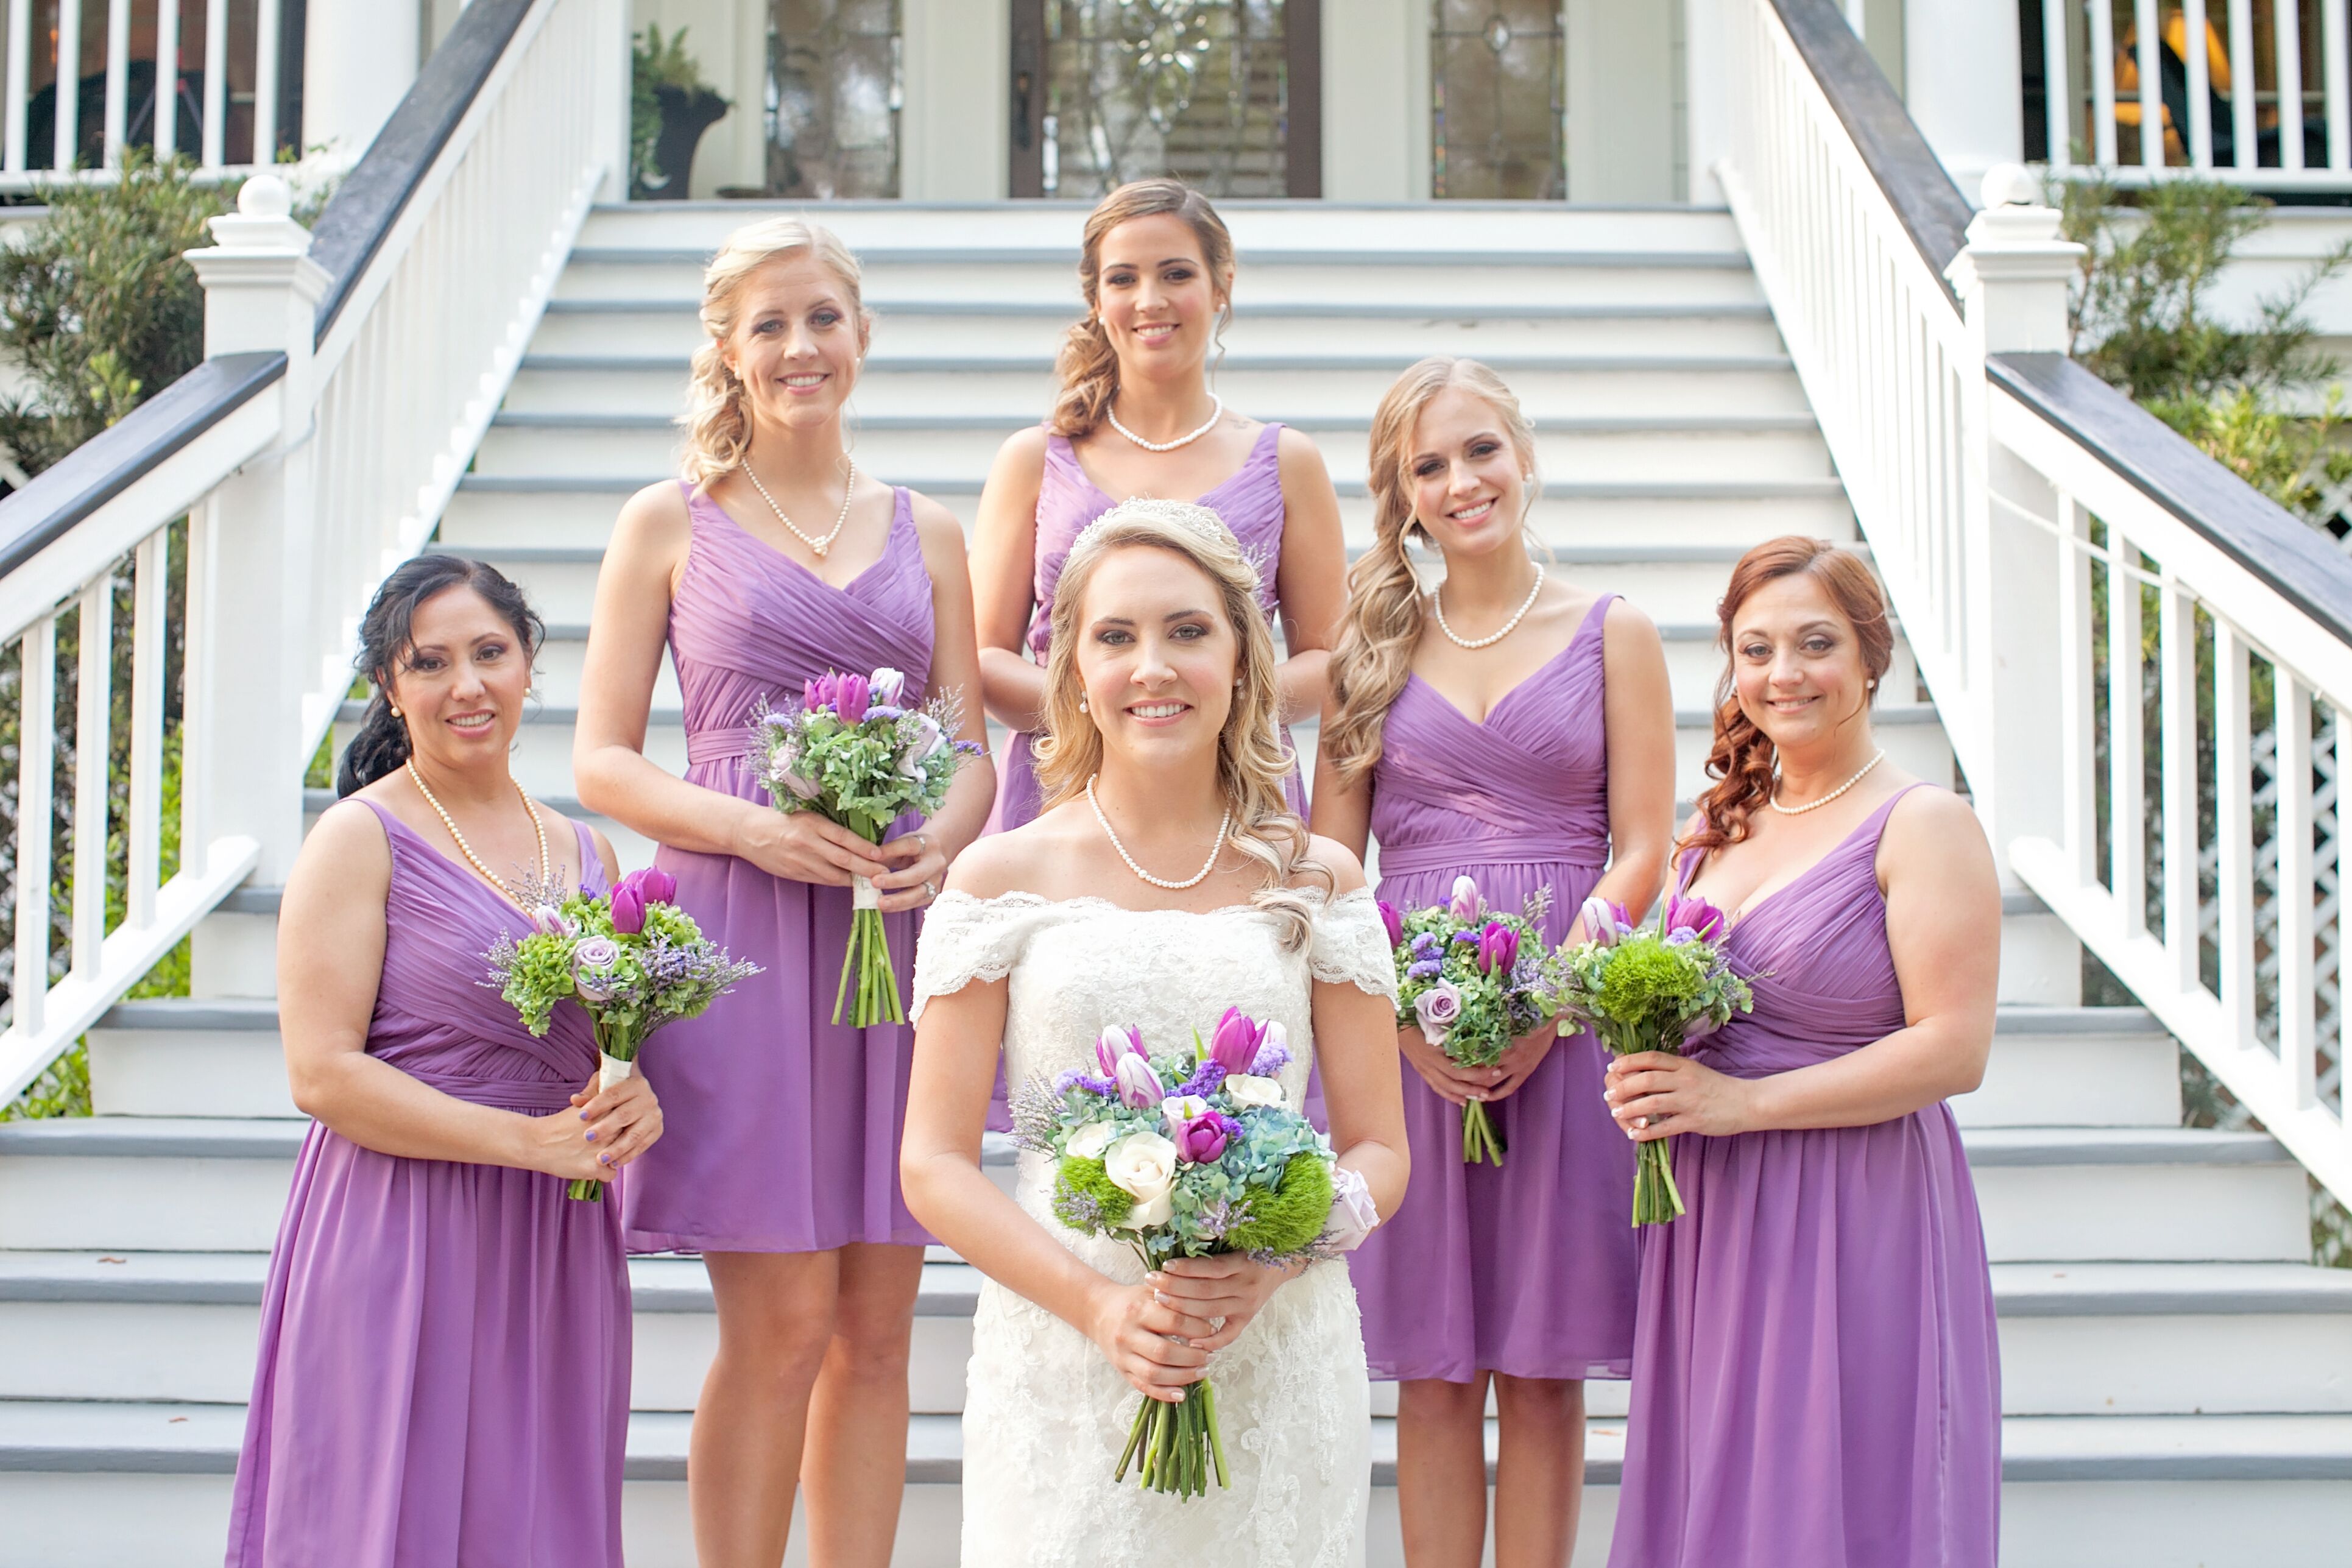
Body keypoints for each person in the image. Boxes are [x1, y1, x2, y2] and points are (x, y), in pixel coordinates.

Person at [570, 216, 994, 1568]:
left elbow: (975, 739)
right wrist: (753, 830)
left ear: (861, 338)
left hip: (894, 925)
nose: (800, 346)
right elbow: (601, 761)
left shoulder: (928, 530)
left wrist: (949, 840)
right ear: (728, 350)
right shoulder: (665, 522)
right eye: (769, 324)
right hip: (737, 934)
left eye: (822, 318)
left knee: (878, 1329)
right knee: (779, 1327)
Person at [901, 498, 1409, 1564]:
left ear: (1240, 654)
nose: (1153, 666)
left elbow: (1379, 1150)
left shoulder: (1320, 877)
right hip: (1066, 1349)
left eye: (1187, 630)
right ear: (1074, 667)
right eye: (1116, 636)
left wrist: (1276, 1260)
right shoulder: (1000, 877)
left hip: (1278, 1345)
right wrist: (1098, 1305)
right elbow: (932, 1163)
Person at [1313, 356, 1672, 1566]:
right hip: (1407, 1030)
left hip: (1561, 1029)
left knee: (1540, 1369)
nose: (1461, 482)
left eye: (1479, 451)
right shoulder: (1370, 645)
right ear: (1401, 495)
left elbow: (1642, 849)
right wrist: (1400, 1022)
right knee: (1428, 1371)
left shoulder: (1610, 631)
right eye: (1429, 466)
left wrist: (1550, 1005)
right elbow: (1326, 861)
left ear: (1521, 455)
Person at [228, 556, 654, 1567]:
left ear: (529, 664)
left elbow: (604, 1046)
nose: (467, 684)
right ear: (390, 684)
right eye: (431, 661)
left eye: (489, 652)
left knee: (532, 1516)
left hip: (550, 1241)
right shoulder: (358, 836)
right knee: (389, 1518)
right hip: (399, 1224)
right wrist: (524, 1139)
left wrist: (635, 1096)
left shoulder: (588, 852)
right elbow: (321, 1073)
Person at [1603, 536, 2002, 1568]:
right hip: (1716, 1209)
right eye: (1757, 647)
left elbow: (1955, 1049)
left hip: (1850, 1199)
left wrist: (1738, 1103)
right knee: (1724, 1485)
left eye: (1815, 643)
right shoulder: (1717, 828)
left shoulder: (1924, 824)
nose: (1784, 673)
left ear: (1871, 656)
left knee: (1833, 1487)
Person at [969, 176, 1346, 828]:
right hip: (1064, 794)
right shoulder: (1034, 459)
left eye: (1176, 273)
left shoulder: (1288, 462)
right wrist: (1109, 708)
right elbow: (985, 657)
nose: (1150, 300)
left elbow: (1328, 659)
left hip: (1236, 793)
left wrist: (1211, 702)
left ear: (1221, 285)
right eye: (1123, 279)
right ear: (1095, 298)